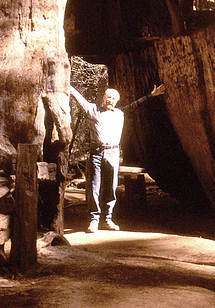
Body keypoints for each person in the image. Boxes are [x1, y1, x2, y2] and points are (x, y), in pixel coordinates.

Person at [69, 83, 165, 233]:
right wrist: (65, 82)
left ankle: (107, 219)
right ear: (104, 98)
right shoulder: (92, 109)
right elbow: (78, 97)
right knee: (94, 187)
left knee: (111, 187)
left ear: (116, 101)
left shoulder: (120, 113)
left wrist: (151, 95)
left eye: (114, 98)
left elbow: (135, 104)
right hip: (96, 153)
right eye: (109, 97)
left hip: (113, 153)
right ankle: (94, 220)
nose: (111, 100)